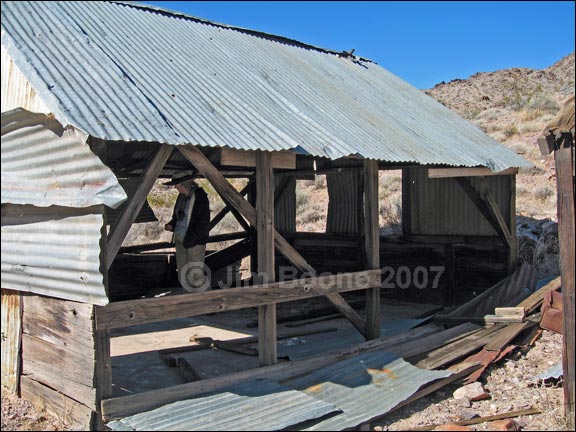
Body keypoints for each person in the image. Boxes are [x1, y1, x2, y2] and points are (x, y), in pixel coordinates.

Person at [164, 170, 211, 292]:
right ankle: (190, 300)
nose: (175, 187)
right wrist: (172, 225)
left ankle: (209, 301)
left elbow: (203, 222)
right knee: (183, 273)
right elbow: (179, 217)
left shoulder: (200, 197)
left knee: (195, 274)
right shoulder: (181, 197)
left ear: (184, 184)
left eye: (177, 184)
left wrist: (192, 239)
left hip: (194, 242)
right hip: (181, 239)